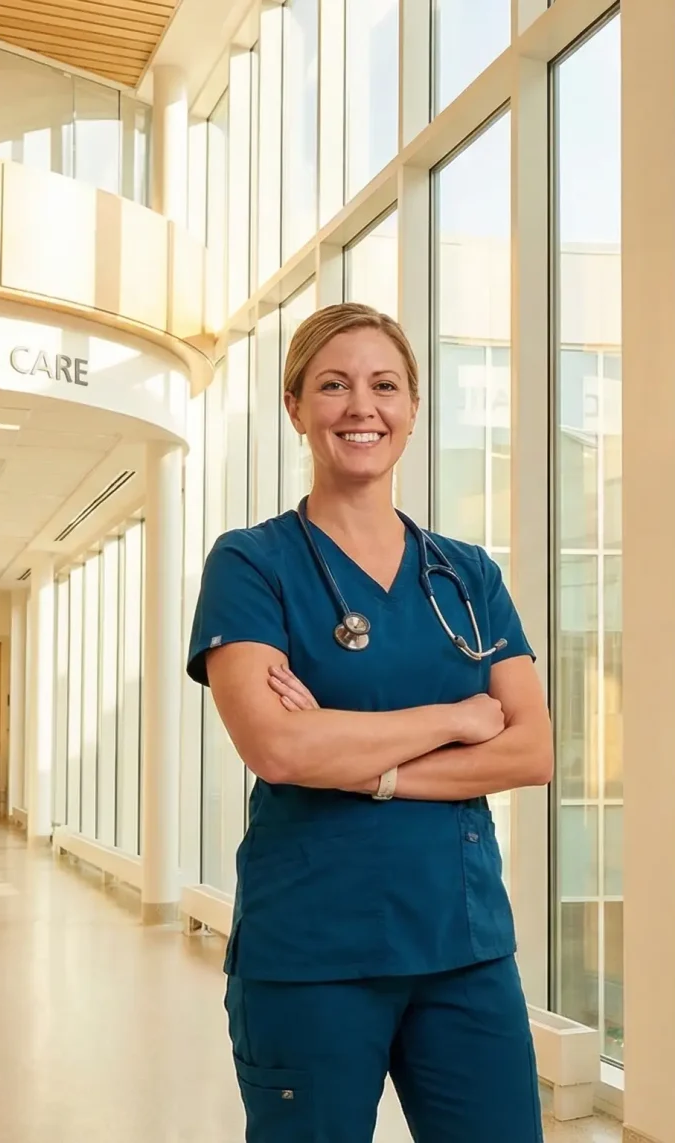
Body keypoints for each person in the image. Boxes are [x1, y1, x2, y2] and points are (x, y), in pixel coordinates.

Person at [187, 302, 552, 1142]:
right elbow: (277, 745)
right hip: (313, 949)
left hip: (463, 945)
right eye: (333, 385)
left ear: (413, 408)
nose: (362, 407)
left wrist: (363, 761)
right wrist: (458, 717)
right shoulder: (251, 563)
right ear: (295, 408)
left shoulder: (465, 574)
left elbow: (531, 749)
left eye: (385, 385)